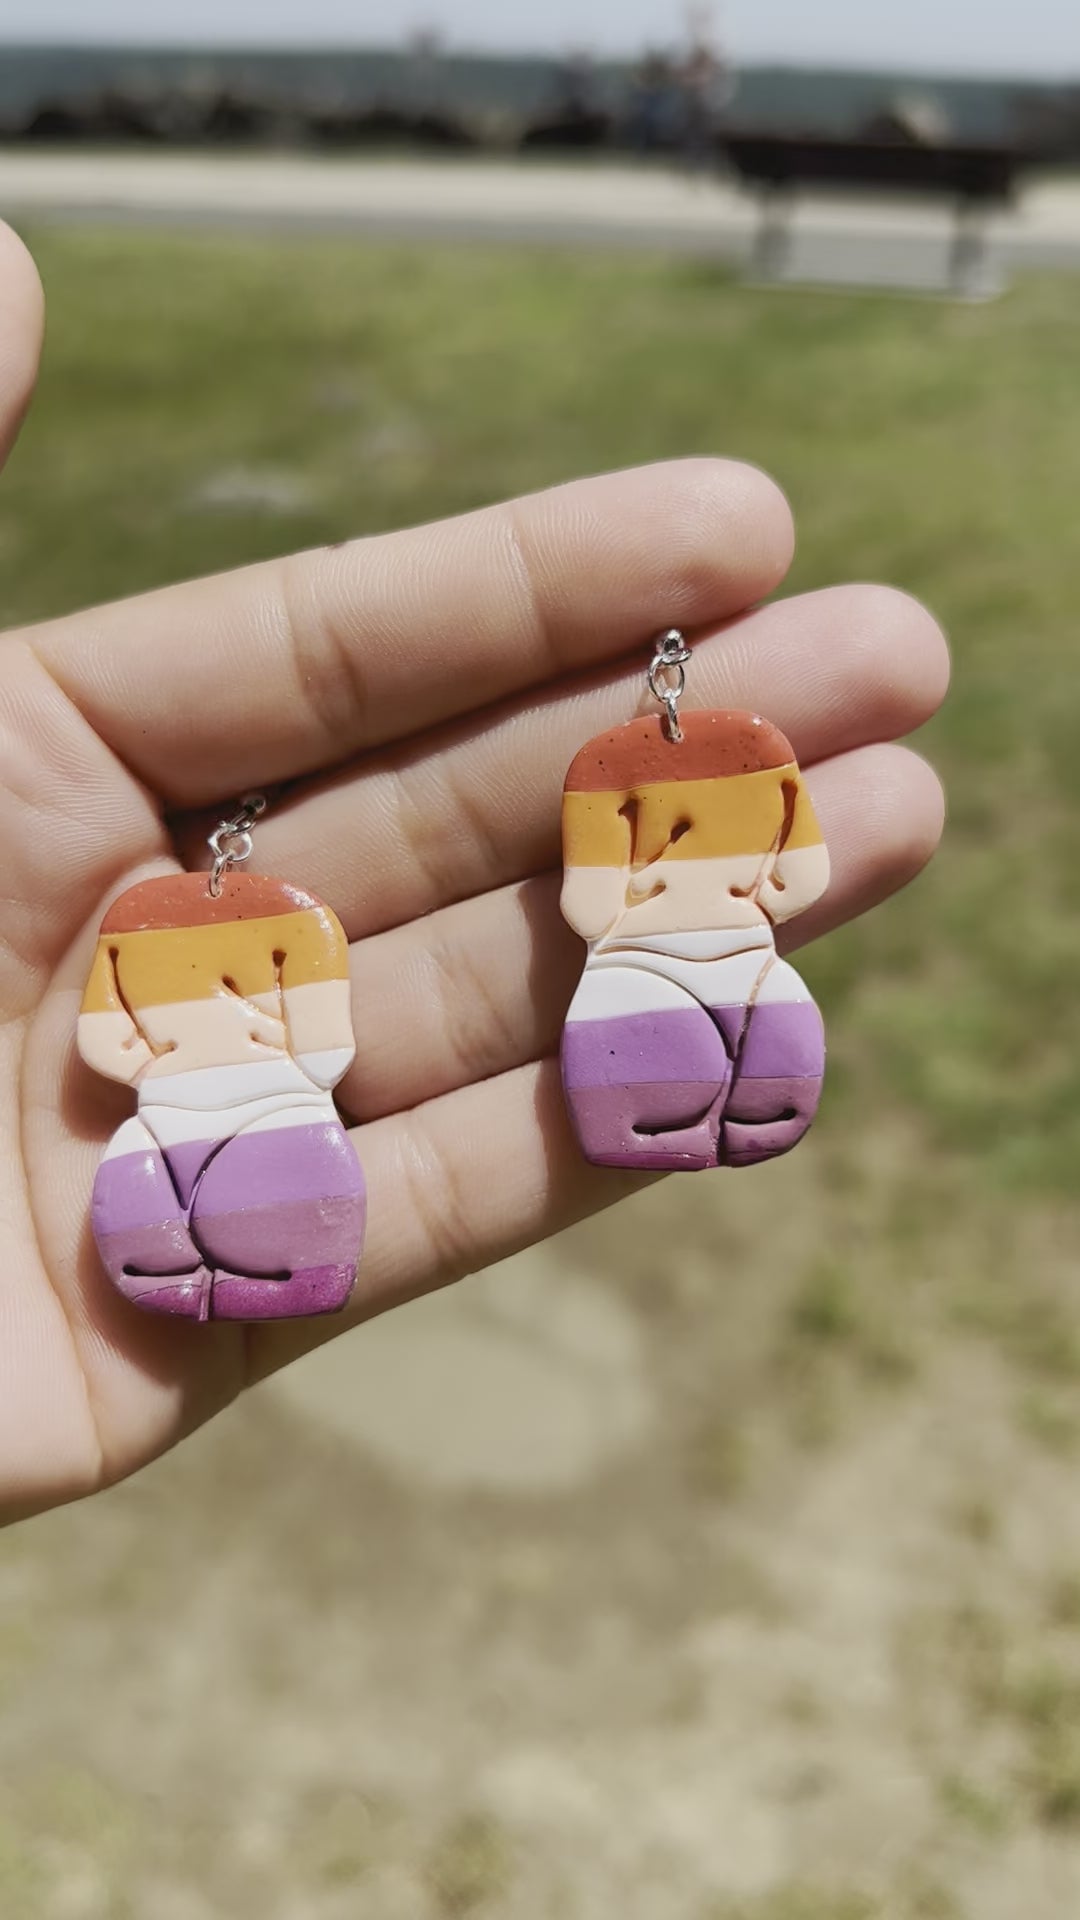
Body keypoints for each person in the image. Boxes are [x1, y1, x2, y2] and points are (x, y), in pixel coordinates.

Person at [0, 224, 949, 1520]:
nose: (227, 1006)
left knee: (739, 1044)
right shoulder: (187, 1043)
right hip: (237, 1133)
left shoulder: (703, 831)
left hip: (667, 995)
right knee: (205, 1196)